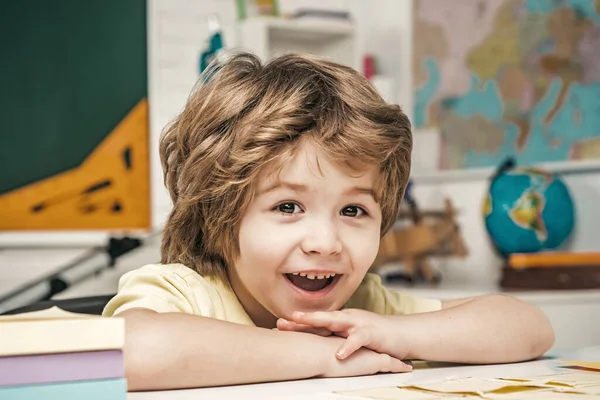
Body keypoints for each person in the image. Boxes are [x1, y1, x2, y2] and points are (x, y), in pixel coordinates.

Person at [102, 51, 555, 391]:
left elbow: (530, 328)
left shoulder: (363, 309)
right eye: (287, 207)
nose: (325, 242)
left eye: (353, 210)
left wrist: (396, 332)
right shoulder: (183, 293)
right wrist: (322, 355)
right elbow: (129, 352)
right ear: (219, 214)